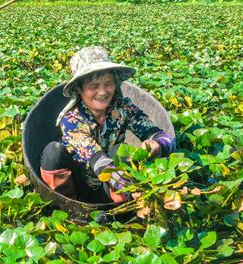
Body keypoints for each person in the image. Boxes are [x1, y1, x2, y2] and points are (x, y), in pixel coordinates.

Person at [40, 46, 175, 203]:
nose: (103, 92)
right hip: (80, 186)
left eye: (108, 84)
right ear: (78, 89)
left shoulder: (123, 108)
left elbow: (164, 137)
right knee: (53, 151)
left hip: (113, 189)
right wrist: (129, 185)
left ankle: (121, 203)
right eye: (94, 86)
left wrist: (158, 144)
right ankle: (66, 206)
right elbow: (97, 159)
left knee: (119, 151)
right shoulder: (71, 120)